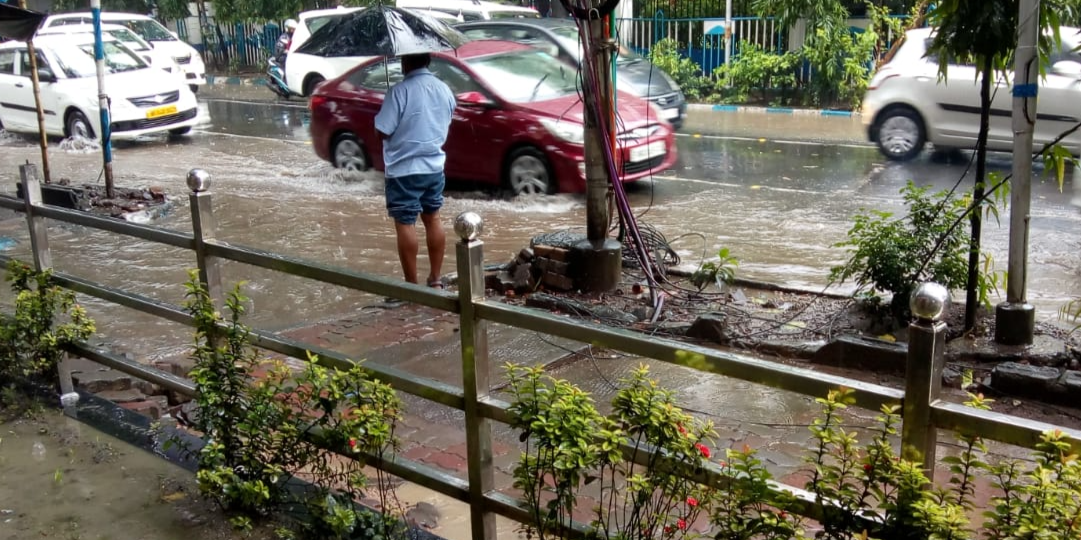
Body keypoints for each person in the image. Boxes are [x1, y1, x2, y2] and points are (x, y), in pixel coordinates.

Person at [374, 53, 457, 289]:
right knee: (433, 218)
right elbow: (447, 119)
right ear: (428, 60)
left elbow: (383, 130)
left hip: (404, 170)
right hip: (434, 167)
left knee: (405, 223)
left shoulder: (399, 92)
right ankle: (435, 279)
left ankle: (411, 285)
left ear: (405, 61)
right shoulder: (444, 89)